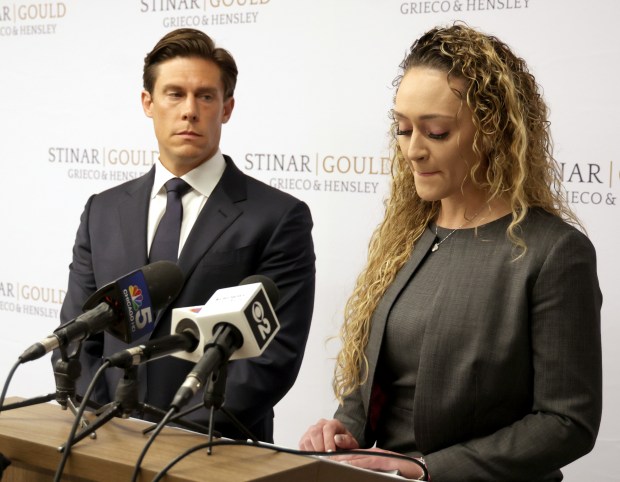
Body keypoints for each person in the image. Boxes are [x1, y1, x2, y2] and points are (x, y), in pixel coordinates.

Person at [299, 23, 602, 481]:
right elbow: (386, 384)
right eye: (402, 129)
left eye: (436, 132)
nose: (412, 151)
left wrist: (428, 469)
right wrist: (347, 427)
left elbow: (566, 423)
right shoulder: (405, 236)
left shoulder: (555, 253)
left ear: (494, 132)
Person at [57, 28, 315, 442]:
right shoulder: (101, 211)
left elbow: (274, 355)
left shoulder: (279, 217)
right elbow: (78, 331)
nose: (190, 110)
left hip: (213, 450)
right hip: (104, 443)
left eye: (206, 96)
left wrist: (171, 437)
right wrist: (108, 425)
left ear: (226, 108)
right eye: (175, 94)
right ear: (148, 102)